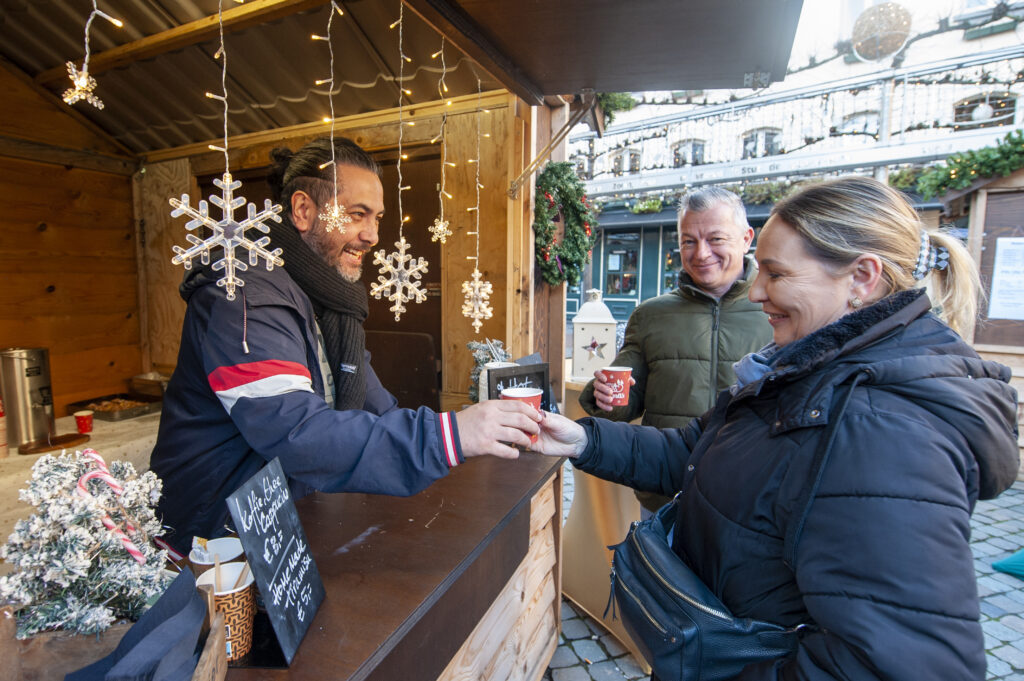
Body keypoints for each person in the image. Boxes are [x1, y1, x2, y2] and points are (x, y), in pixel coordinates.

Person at [534, 177, 1020, 678]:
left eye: (776, 273)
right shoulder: (802, 367)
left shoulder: (883, 426)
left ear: (862, 278)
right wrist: (583, 437)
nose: (757, 291)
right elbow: (694, 452)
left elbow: (899, 663)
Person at [150, 137, 540, 553]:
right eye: (357, 214)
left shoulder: (329, 302)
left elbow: (378, 409)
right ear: (303, 211)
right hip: (212, 538)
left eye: (377, 218)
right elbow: (297, 432)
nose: (372, 236)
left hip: (280, 519)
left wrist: (472, 435)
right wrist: (447, 436)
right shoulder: (245, 295)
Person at [578, 187, 771, 512]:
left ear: (746, 238)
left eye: (716, 239)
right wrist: (605, 397)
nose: (701, 253)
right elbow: (625, 400)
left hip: (751, 499)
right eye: (689, 241)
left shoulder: (777, 309)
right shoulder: (650, 315)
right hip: (666, 495)